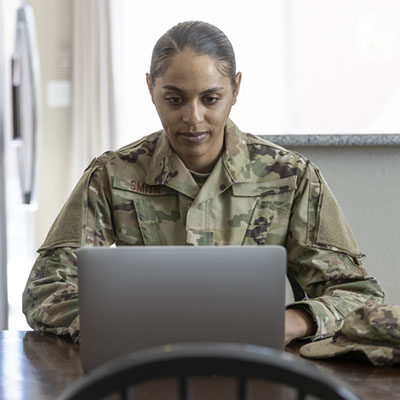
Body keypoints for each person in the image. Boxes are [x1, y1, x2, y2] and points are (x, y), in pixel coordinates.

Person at [22, 21, 384, 345]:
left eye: (210, 99)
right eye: (174, 99)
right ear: (151, 88)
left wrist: (291, 322)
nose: (193, 118)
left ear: (236, 88)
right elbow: (45, 290)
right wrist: (124, 325)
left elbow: (357, 295)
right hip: (144, 363)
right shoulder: (112, 176)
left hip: (256, 367)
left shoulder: (291, 177)